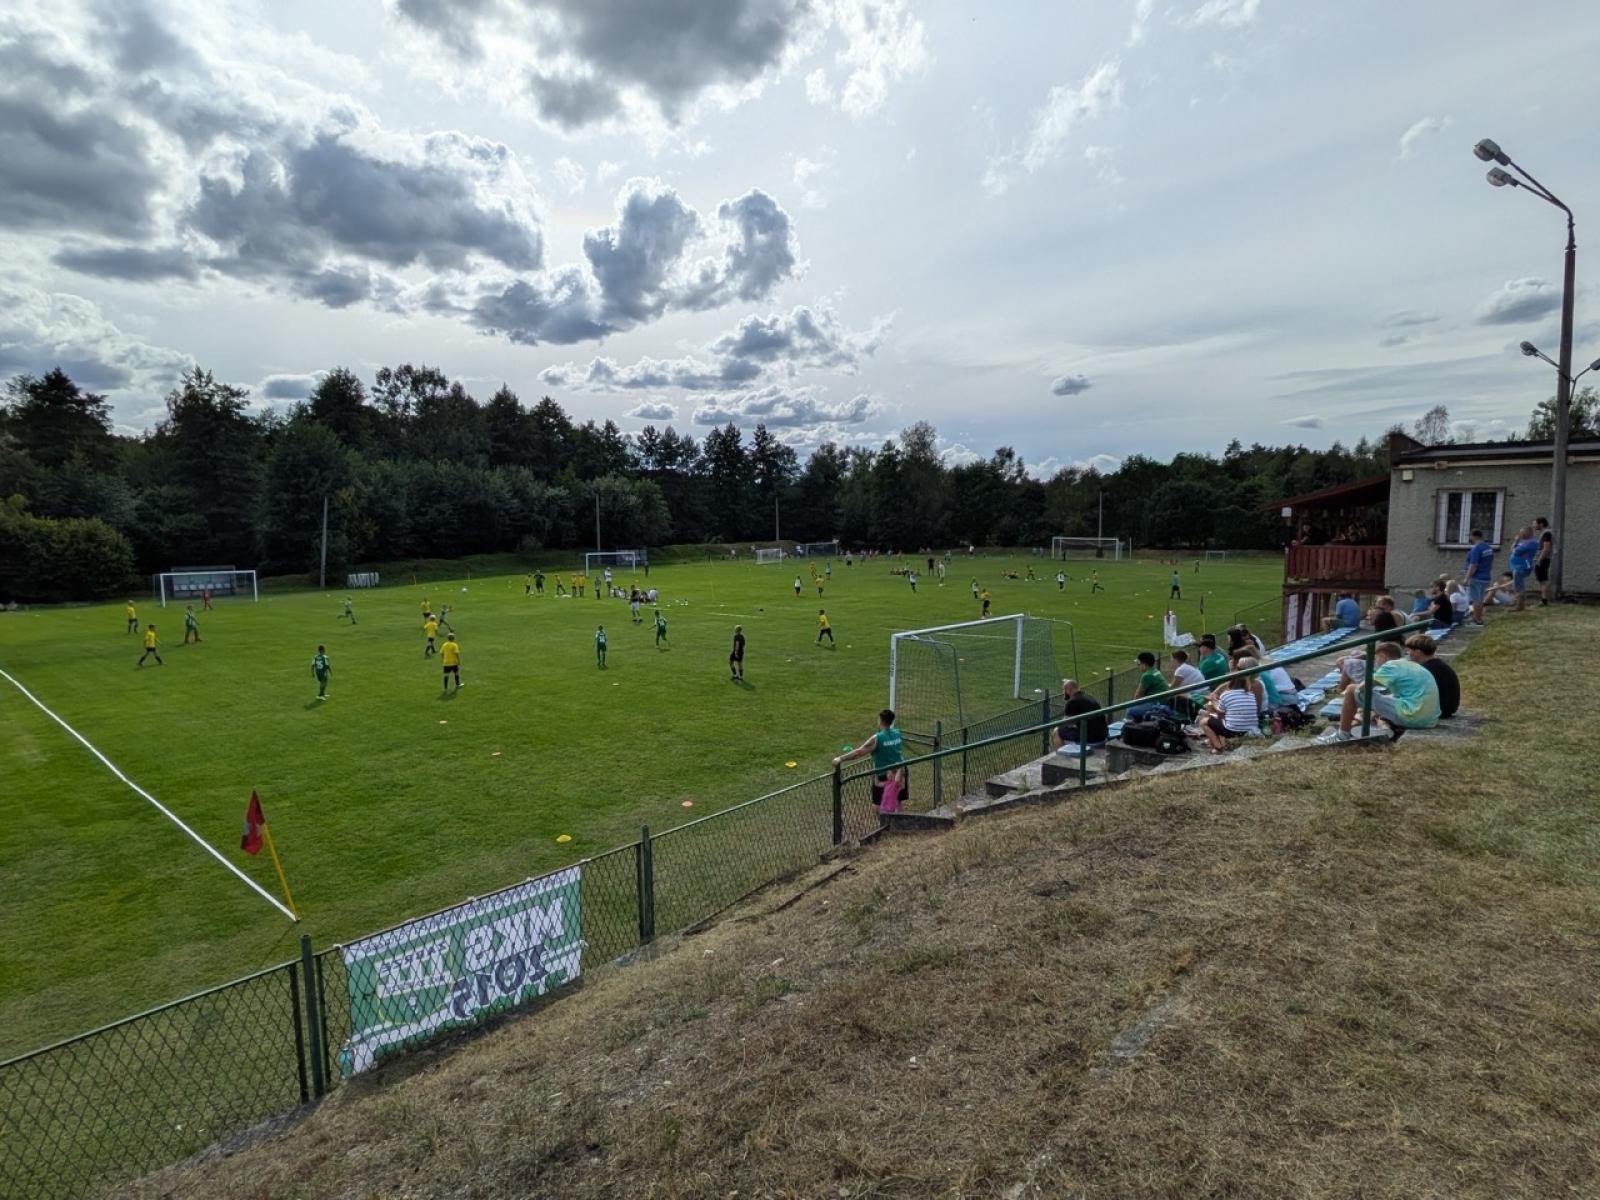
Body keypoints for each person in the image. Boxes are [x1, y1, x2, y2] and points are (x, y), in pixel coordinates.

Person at [1316, 640, 1439, 742]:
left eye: (1375, 659)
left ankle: (1341, 736)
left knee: (1351, 689)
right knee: (1381, 699)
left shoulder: (1390, 665)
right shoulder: (1409, 665)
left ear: (1382, 656)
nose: (1375, 663)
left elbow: (1363, 687)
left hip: (1413, 715)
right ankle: (1382, 727)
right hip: (1429, 719)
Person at [833, 708, 907, 811]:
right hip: (900, 772)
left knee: (877, 806)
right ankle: (898, 823)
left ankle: (886, 824)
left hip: (885, 775)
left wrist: (840, 758)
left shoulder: (877, 738)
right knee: (897, 801)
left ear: (880, 720)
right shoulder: (898, 733)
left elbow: (858, 752)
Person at [1198, 673, 1259, 753]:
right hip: (1251, 729)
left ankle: (1218, 748)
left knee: (1204, 721)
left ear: (1230, 682)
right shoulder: (1250, 694)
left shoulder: (1226, 694)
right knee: (1218, 720)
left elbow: (1220, 711)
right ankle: (1214, 742)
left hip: (1233, 730)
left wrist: (1213, 700)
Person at [1405, 634, 1459, 719]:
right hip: (1447, 709)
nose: (1408, 653)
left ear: (1417, 652)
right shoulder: (1442, 666)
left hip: (1437, 712)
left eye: (1410, 650)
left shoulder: (1424, 670)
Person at [1053, 679, 1109, 749]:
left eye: (1064, 690)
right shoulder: (1089, 697)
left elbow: (1065, 723)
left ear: (1068, 690)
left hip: (1091, 738)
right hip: (1103, 735)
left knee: (1057, 731)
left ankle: (1060, 756)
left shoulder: (1072, 701)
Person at [1126, 651, 1176, 722]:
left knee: (1130, 710)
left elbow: (1138, 695)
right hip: (1163, 702)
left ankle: (1131, 730)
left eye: (1138, 664)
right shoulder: (1156, 671)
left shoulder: (1147, 675)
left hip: (1156, 704)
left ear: (1144, 664)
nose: (1138, 666)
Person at [1460, 529, 1494, 624]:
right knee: (1480, 599)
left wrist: (1467, 578)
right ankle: (1478, 617)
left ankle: (1477, 619)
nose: (1469, 538)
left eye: (1470, 536)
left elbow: (1473, 565)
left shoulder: (1476, 549)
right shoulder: (1488, 548)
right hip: (1485, 577)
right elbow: (1490, 563)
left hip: (1476, 577)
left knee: (1476, 600)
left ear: (1474, 536)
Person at [1168, 649, 1208, 720]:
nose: (1171, 661)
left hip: (1198, 695)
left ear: (1175, 660)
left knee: (1171, 696)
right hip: (1203, 691)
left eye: (1171, 659)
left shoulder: (1181, 669)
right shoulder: (1187, 666)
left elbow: (1172, 688)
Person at [1509, 525, 1539, 612]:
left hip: (1521, 566)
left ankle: (1519, 606)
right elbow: (1512, 550)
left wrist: (1515, 542)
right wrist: (1516, 542)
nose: (1520, 534)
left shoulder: (1530, 542)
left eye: (1522, 532)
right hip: (1518, 566)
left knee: (1518, 586)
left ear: (1528, 533)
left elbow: (1514, 551)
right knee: (1518, 586)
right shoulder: (1523, 542)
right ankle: (1519, 604)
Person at [1534, 517, 1553, 606]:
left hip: (1543, 560)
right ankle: (1544, 599)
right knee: (1541, 580)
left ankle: (1544, 600)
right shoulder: (1544, 533)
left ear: (1541, 524)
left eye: (1535, 523)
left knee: (1543, 580)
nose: (1533, 525)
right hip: (1542, 559)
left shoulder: (1546, 534)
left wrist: (1539, 560)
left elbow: (1546, 549)